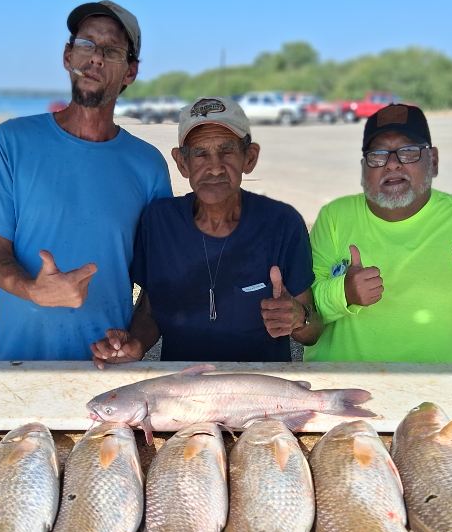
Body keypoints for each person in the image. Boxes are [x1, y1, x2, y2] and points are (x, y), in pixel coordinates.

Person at [0, 0, 172, 360]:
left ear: (130, 72)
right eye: (86, 44)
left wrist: (137, 343)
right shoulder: (12, 142)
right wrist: (32, 289)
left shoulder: (148, 166)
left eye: (111, 50)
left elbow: (159, 282)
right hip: (17, 361)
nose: (95, 57)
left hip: (104, 369)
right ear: (68, 56)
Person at [90, 97, 321, 367]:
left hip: (260, 389)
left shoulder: (283, 223)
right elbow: (151, 311)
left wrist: (298, 319)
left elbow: (313, 331)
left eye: (227, 151)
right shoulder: (159, 222)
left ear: (250, 157)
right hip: (184, 389)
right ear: (182, 163)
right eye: (200, 153)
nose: (214, 166)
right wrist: (135, 343)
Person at [304, 103, 452, 363]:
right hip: (341, 389)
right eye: (378, 155)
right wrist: (342, 293)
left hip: (436, 393)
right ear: (363, 168)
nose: (392, 164)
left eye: (408, 152)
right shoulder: (335, 217)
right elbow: (303, 314)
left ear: (433, 161)